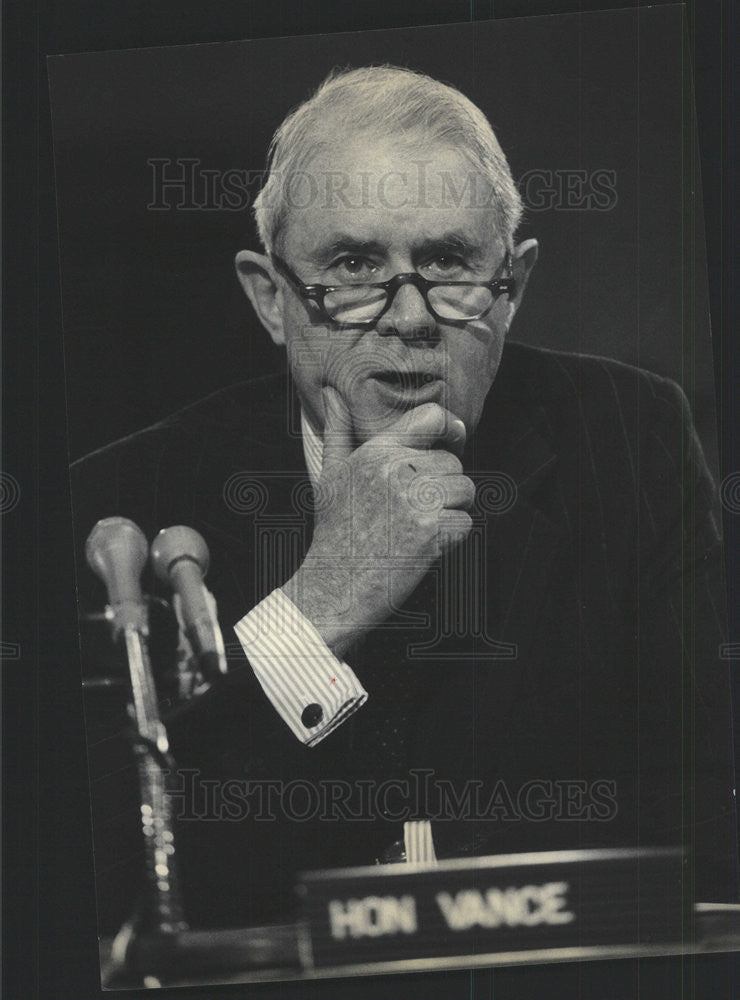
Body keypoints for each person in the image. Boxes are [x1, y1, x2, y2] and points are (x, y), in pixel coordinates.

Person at [71, 65, 735, 933]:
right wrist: (315, 610)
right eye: (353, 266)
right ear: (271, 297)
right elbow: (106, 868)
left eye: (449, 262)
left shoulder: (631, 436)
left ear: (514, 286)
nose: (410, 317)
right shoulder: (120, 499)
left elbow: (707, 804)